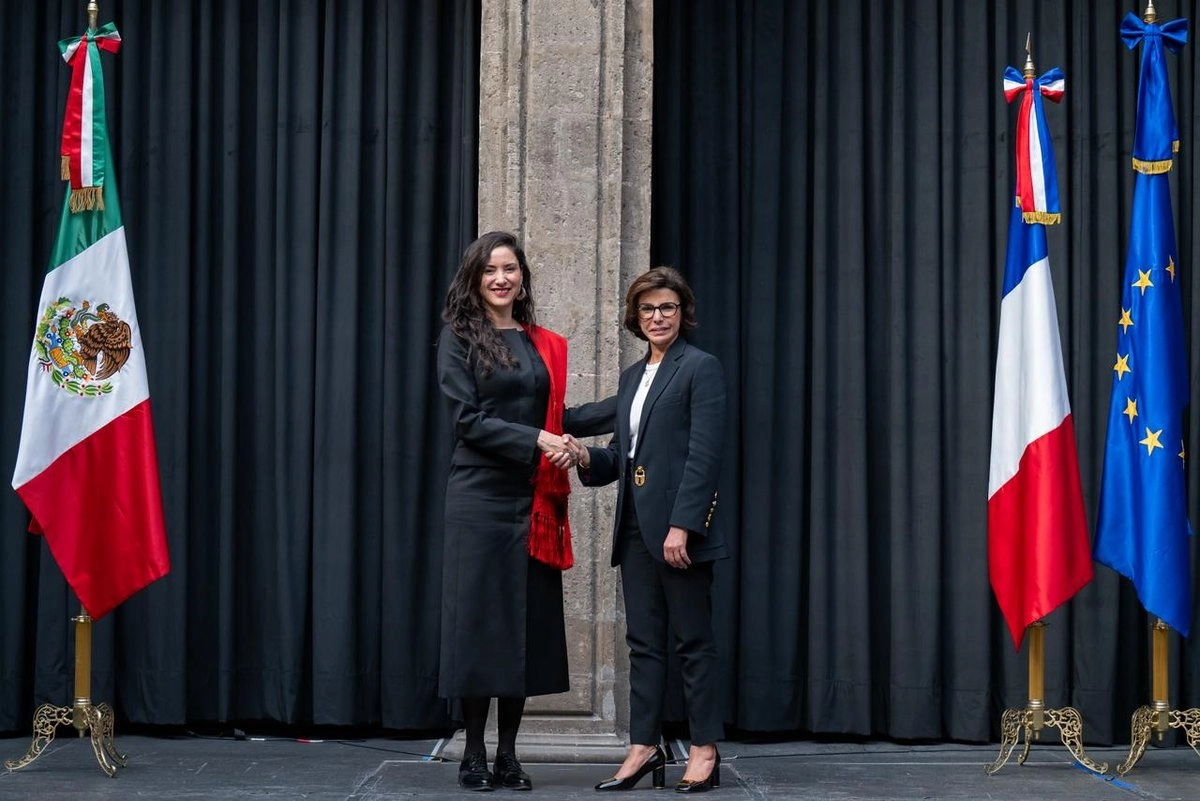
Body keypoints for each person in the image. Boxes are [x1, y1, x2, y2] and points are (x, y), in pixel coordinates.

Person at [437, 231, 615, 792]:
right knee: (478, 627)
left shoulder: (540, 343)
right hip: (479, 497)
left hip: (532, 499)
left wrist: (633, 398)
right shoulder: (458, 337)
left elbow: (562, 415)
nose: (500, 278)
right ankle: (471, 753)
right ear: (475, 277)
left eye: (510, 268)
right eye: (490, 269)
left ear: (521, 277)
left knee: (521, 626)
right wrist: (538, 439)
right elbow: (467, 421)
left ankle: (509, 755)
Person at [563, 266, 727, 794]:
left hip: (678, 532)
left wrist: (683, 526)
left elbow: (703, 456)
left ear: (683, 314)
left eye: (668, 308)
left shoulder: (701, 369)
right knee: (644, 644)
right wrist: (584, 454)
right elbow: (621, 455)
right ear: (635, 317)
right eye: (649, 309)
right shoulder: (633, 378)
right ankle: (643, 746)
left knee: (692, 643)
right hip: (634, 528)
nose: (658, 317)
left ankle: (704, 749)